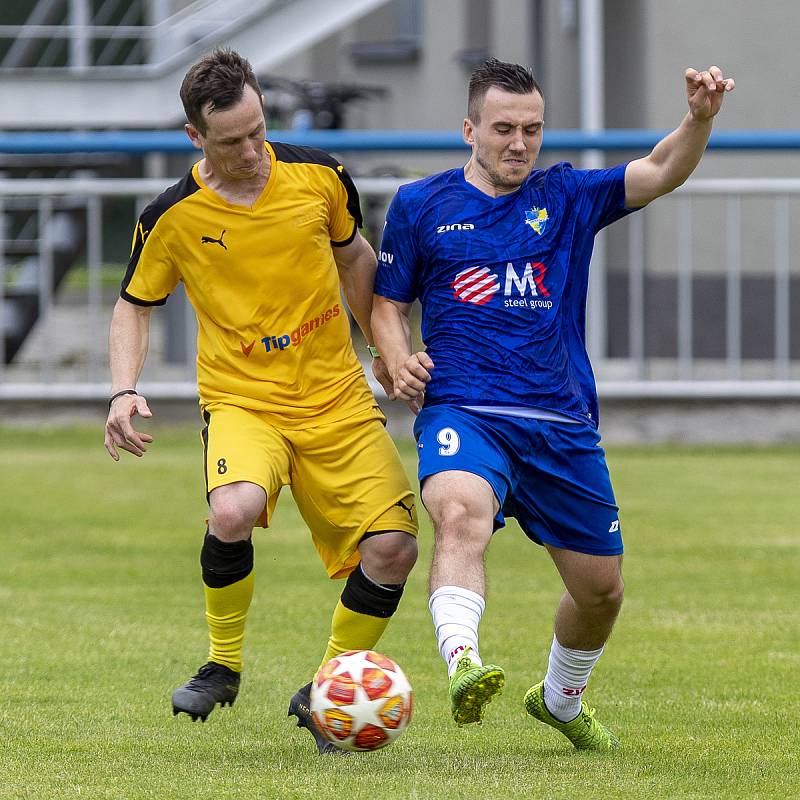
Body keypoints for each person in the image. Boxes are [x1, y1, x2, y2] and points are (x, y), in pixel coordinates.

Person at [371, 58, 734, 750]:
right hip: (465, 410)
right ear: (469, 129)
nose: (518, 143)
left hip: (561, 423)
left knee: (601, 592)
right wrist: (393, 356)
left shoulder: (566, 195)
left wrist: (699, 120)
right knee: (457, 516)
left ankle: (561, 702)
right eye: (503, 128)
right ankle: (463, 664)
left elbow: (658, 171)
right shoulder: (421, 205)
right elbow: (387, 304)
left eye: (531, 129)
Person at [103, 48, 418, 755]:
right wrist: (123, 390)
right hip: (243, 401)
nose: (252, 151)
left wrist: (386, 351)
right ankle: (223, 662)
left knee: (394, 547)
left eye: (258, 131)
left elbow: (355, 257)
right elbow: (133, 306)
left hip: (336, 395)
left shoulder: (320, 175)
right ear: (196, 139)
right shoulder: (173, 215)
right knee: (233, 509)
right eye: (231, 141)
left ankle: (324, 691)